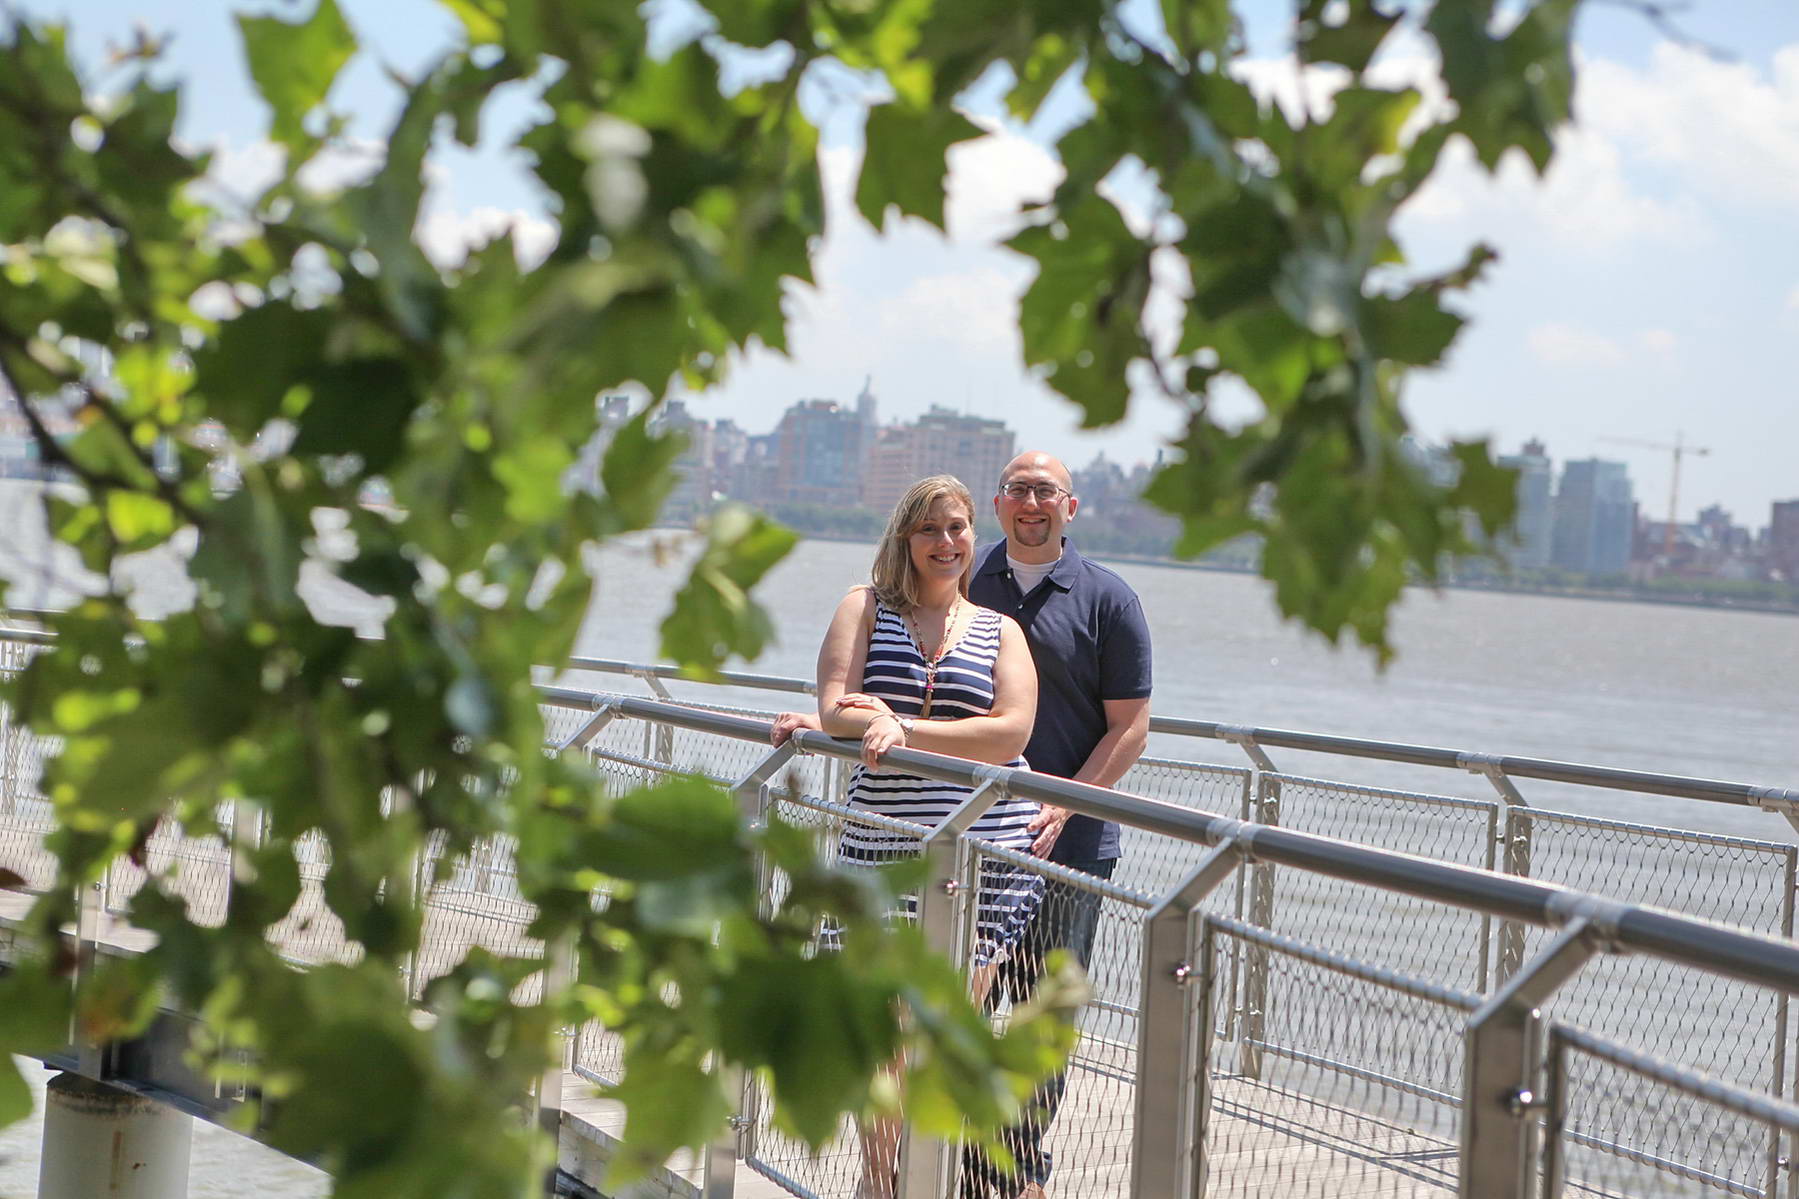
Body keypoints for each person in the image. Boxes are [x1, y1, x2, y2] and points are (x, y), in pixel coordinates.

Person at [769, 474, 1044, 1199]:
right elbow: (835, 708)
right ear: (904, 538)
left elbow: (1011, 731)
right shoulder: (865, 607)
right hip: (881, 853)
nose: (946, 542)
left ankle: (918, 1184)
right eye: (930, 529)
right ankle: (880, 1183)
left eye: (957, 528)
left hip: (979, 852)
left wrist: (902, 724)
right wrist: (857, 719)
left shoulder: (998, 630)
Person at [962, 450, 1153, 1199]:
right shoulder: (961, 579)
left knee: (1042, 1025)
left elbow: (1130, 728)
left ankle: (1014, 1172)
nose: (1030, 502)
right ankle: (971, 1165)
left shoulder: (1110, 600)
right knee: (958, 1010)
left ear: (1070, 508)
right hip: (967, 840)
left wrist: (1063, 802)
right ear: (997, 503)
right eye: (1016, 490)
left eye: (1046, 491)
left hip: (1066, 850)